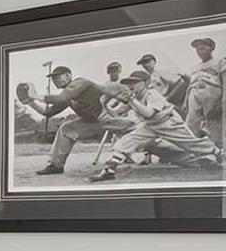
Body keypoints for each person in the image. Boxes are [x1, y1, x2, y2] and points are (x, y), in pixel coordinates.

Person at [87, 70, 222, 182]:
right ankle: (109, 170)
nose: (131, 85)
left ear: (146, 83)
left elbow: (148, 113)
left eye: (135, 82)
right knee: (126, 142)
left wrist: (131, 100)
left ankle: (219, 153)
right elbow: (115, 113)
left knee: (192, 144)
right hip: (150, 127)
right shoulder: (132, 96)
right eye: (128, 82)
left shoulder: (152, 94)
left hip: (168, 123)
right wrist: (104, 104)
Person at [17, 67, 131, 175]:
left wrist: (35, 95)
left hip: (108, 115)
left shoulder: (80, 82)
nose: (55, 80)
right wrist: (30, 102)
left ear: (68, 75)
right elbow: (48, 113)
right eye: (53, 78)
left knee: (139, 129)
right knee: (66, 129)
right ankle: (56, 165)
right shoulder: (68, 95)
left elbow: (61, 98)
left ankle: (146, 153)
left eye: (58, 77)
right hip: (90, 122)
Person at [189, 36, 223, 149]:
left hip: (212, 93)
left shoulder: (220, 61)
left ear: (212, 48)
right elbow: (190, 85)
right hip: (194, 93)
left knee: (214, 122)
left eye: (204, 46)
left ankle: (219, 151)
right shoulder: (195, 67)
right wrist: (185, 102)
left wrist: (222, 101)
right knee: (192, 123)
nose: (200, 49)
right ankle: (197, 152)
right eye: (198, 47)